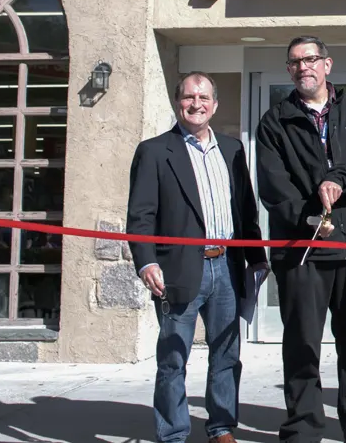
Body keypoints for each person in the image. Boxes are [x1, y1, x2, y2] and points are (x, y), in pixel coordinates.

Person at [255, 36, 346, 443]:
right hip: (303, 250)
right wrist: (309, 218)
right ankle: (303, 427)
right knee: (301, 345)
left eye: (310, 59)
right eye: (294, 62)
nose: (303, 68)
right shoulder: (274, 121)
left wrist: (338, 179)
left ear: (327, 64)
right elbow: (274, 187)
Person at [126, 72, 268, 443]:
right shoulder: (155, 151)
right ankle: (173, 433)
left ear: (215, 105)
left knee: (226, 353)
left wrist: (257, 258)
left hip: (227, 266)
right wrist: (146, 261)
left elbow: (245, 212)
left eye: (204, 97)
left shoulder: (233, 149)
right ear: (178, 102)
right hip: (178, 269)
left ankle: (221, 427)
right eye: (189, 97)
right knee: (173, 357)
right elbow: (140, 215)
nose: (196, 104)